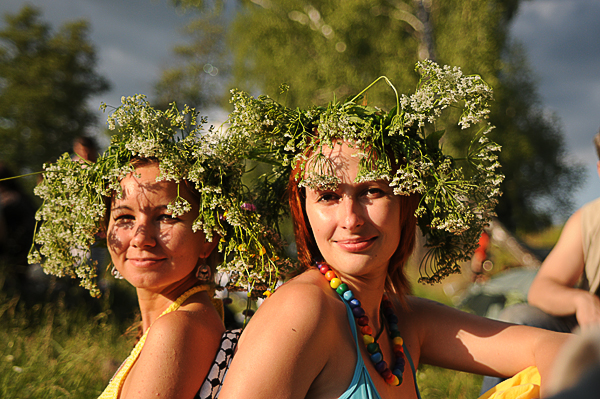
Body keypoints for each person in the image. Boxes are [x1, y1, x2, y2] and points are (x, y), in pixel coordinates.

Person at [218, 61, 571, 399]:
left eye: (372, 191)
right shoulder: (302, 311)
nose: (351, 218)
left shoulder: (401, 318)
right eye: (327, 196)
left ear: (406, 203)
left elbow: (560, 350)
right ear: (303, 211)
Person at [28, 94, 291, 399]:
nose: (141, 237)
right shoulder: (180, 319)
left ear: (208, 237)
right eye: (125, 216)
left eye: (166, 217)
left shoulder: (177, 330)